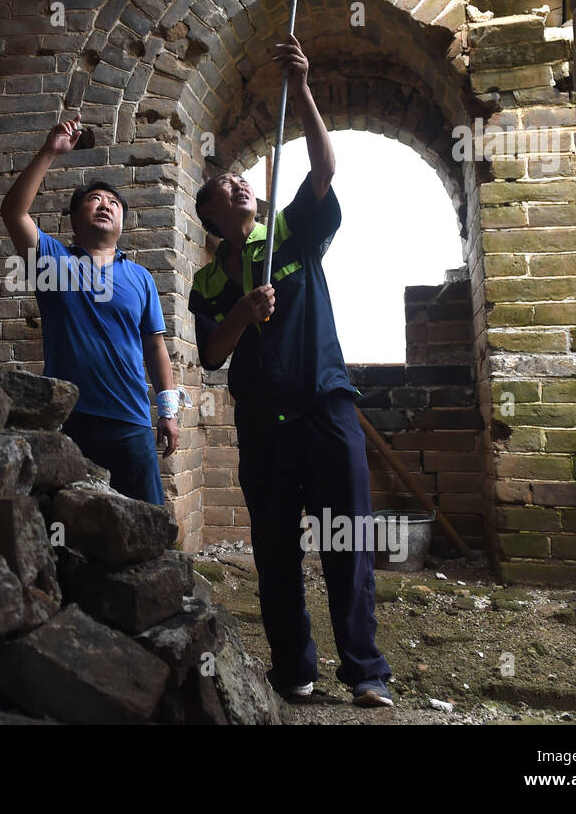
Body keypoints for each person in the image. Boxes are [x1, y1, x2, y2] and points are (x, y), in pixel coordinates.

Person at [189, 35, 393, 707]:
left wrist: (302, 86)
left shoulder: (292, 232)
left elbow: (325, 170)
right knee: (277, 551)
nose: (239, 183)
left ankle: (365, 670)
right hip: (264, 423)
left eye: (242, 179)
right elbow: (213, 353)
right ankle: (294, 668)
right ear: (214, 217)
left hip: (327, 405)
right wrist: (246, 311)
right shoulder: (208, 281)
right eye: (225, 186)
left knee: (349, 542)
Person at [0, 119, 181, 505]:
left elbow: (155, 349)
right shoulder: (51, 261)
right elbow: (14, 213)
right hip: (68, 419)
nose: (106, 206)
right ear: (75, 219)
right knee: (68, 522)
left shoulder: (140, 278)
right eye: (94, 200)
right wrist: (50, 151)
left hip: (129, 420)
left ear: (121, 223)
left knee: (149, 522)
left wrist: (168, 410)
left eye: (114, 204)